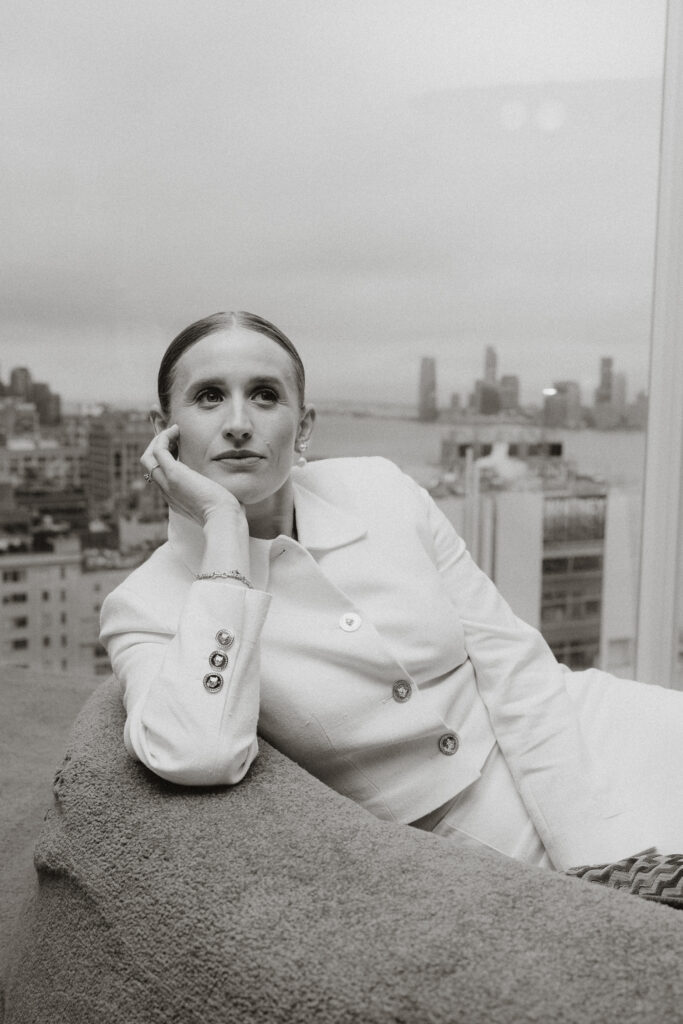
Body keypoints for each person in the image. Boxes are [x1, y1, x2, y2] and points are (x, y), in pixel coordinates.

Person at [100, 310, 679, 875]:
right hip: (466, 832)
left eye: (265, 395)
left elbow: (513, 659)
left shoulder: (380, 487)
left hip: (576, 733)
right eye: (208, 397)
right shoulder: (143, 606)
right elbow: (199, 751)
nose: (238, 422)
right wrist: (224, 532)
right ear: (163, 433)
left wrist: (599, 858)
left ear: (303, 428)